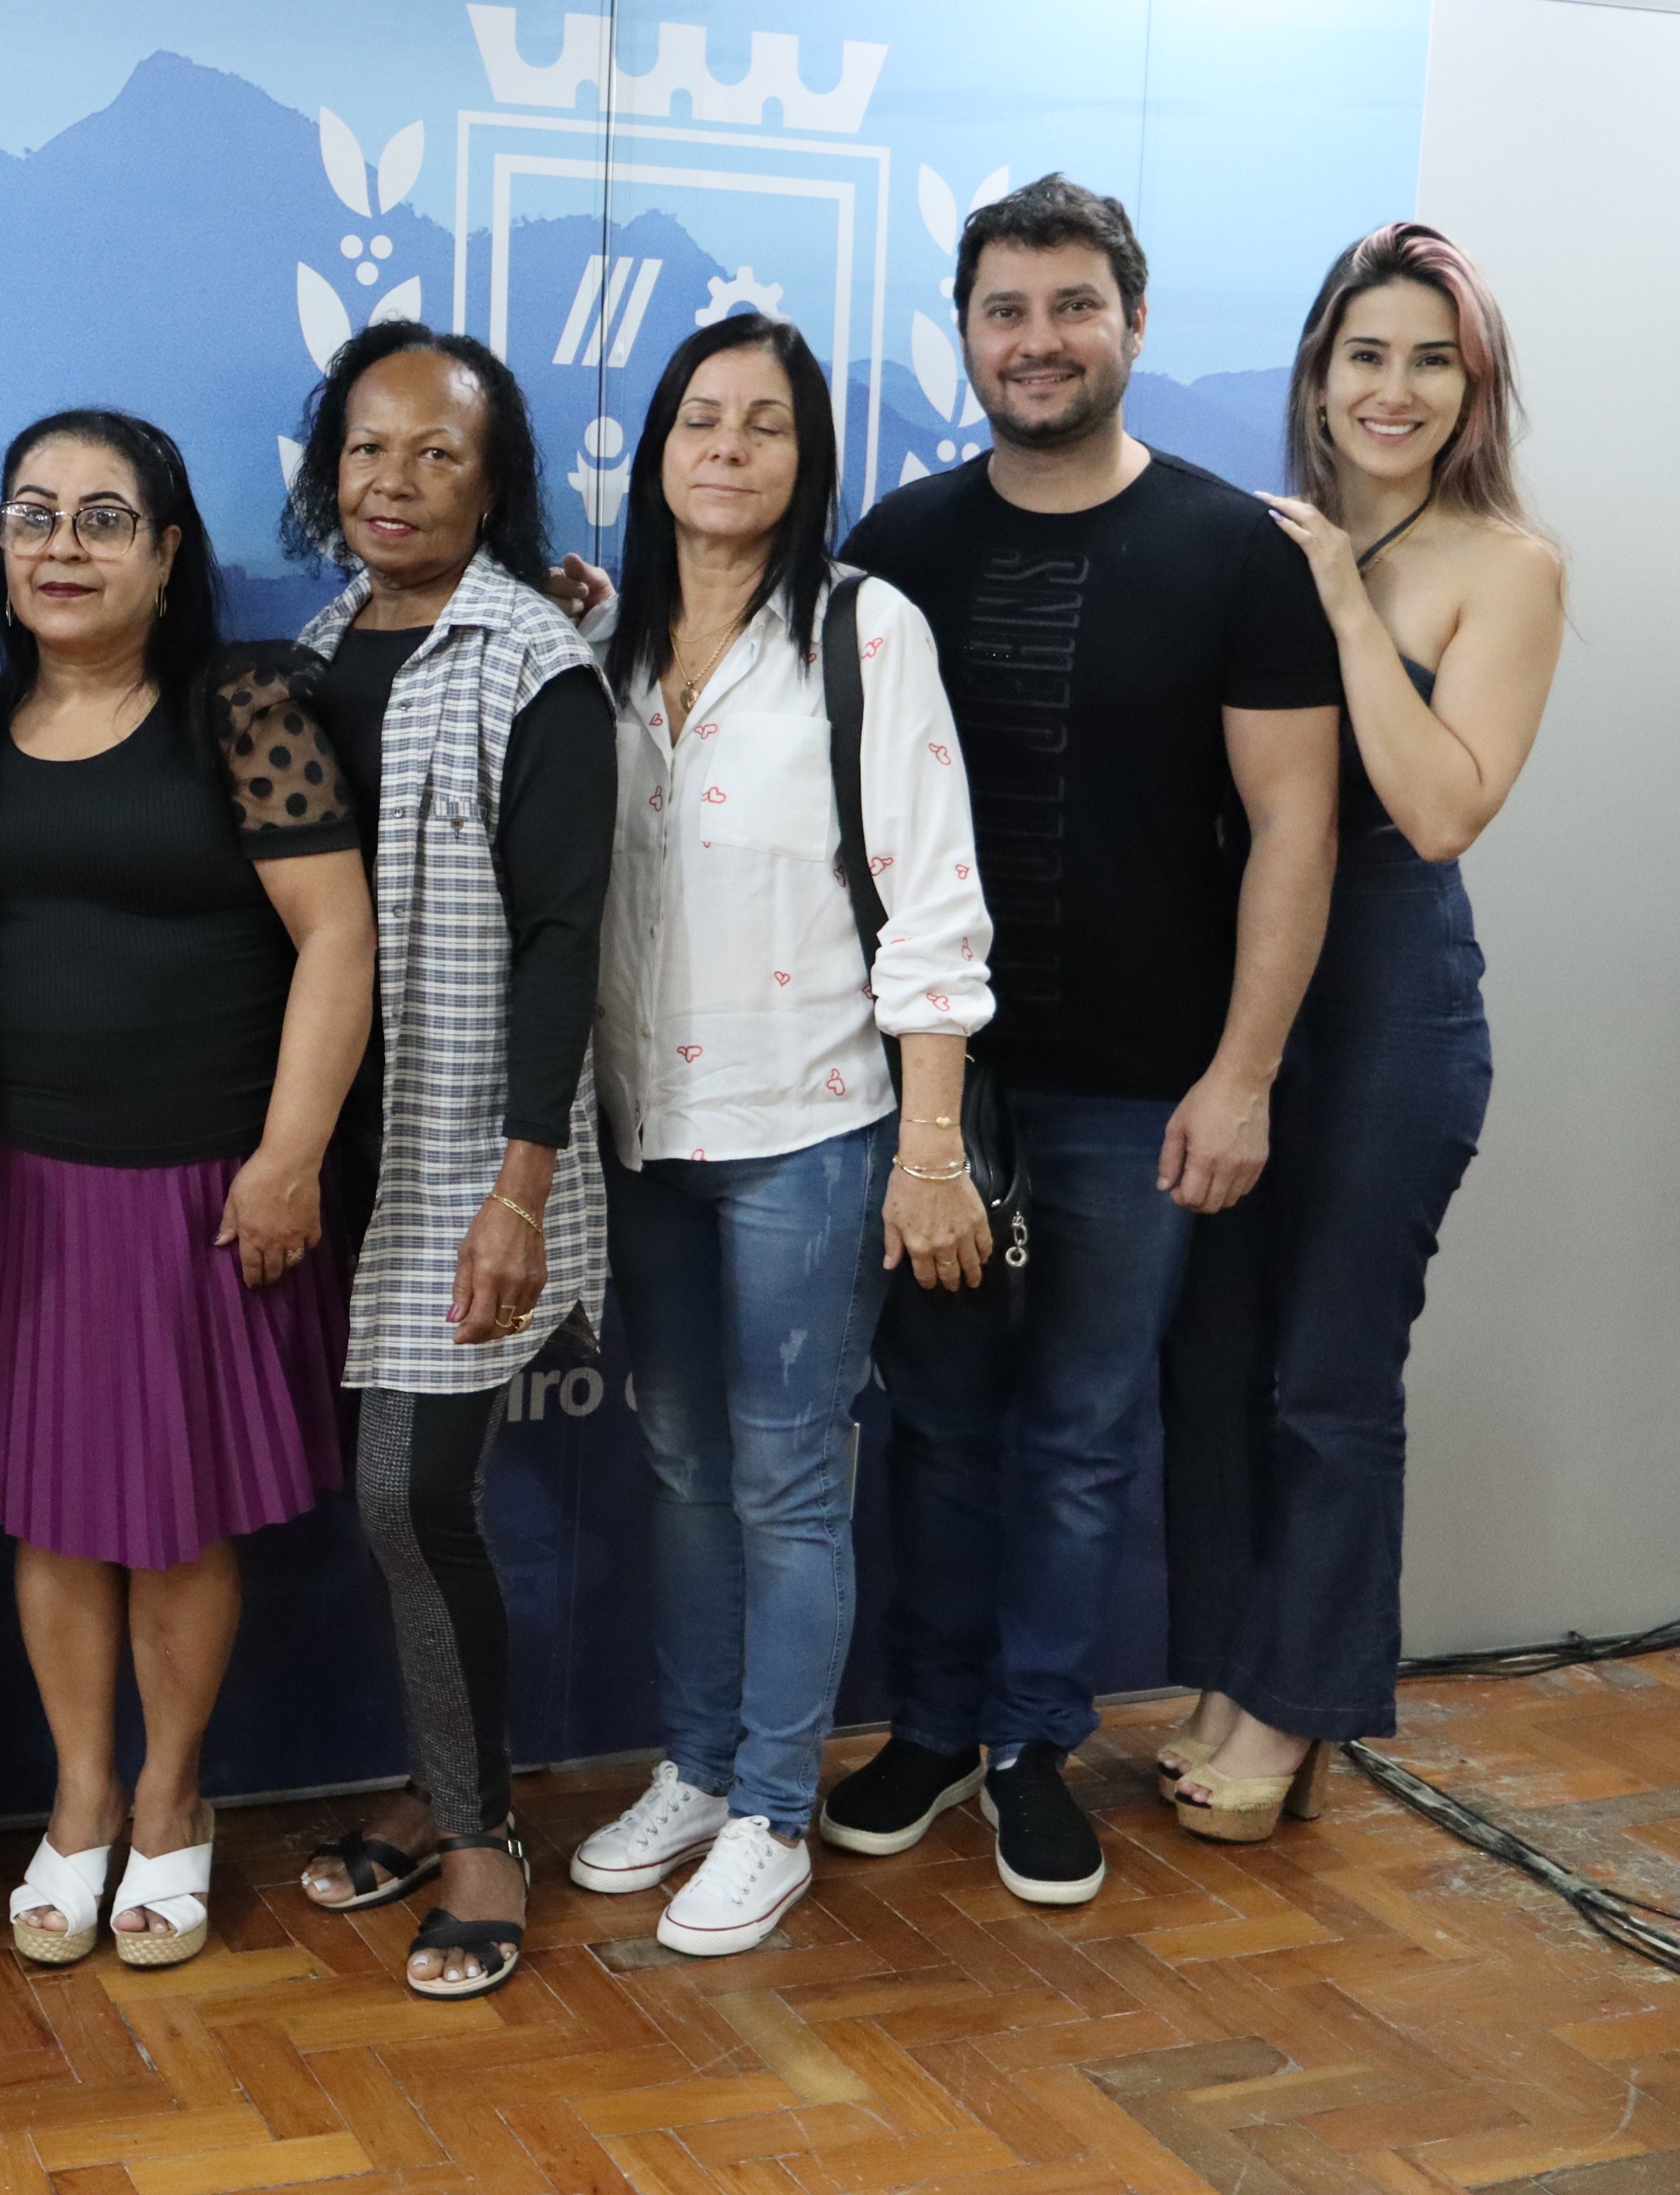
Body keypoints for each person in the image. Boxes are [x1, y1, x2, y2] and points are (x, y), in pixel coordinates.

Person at [816, 177, 1342, 1906]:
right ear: (963, 333)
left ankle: (1036, 1740)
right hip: (931, 1089)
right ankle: (932, 1726)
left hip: (1142, 1088)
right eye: (1004, 310)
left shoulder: (1233, 552)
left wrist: (1243, 1073)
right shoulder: (897, 544)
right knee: (940, 1419)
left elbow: (1293, 827)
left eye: (1070, 307)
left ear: (1132, 322)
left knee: (1085, 1432)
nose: (1035, 342)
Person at [559, 314, 996, 1957]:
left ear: (807, 459)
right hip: (644, 1128)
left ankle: (769, 1805)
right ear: (657, 447)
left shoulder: (864, 632)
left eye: (765, 423)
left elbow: (933, 904)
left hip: (813, 1127)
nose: (728, 447)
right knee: (681, 1466)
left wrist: (930, 1153)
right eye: (700, 418)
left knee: (788, 1475)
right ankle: (693, 1764)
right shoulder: (599, 643)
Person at [0, 411, 374, 1970]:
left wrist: (289, 1155)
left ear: (169, 551)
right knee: (54, 1516)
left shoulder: (240, 706)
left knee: (178, 1519)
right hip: (29, 1183)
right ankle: (78, 1801)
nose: (62, 545)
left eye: (103, 517)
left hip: (208, 1184)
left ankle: (172, 1798)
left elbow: (337, 934)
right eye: (34, 513)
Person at [1155, 225, 1562, 1840]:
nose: (1395, 389)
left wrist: (1338, 592)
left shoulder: (1504, 566)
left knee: (1330, 1374)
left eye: (1431, 360)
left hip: (1392, 1010)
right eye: (1366, 355)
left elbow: (1441, 806)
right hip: (1246, 1000)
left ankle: (1294, 1703)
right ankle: (1234, 1665)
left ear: (1474, 387)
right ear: (1319, 376)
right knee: (1217, 1361)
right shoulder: (1261, 536)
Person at [279, 323, 616, 1999]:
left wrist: (521, 1185)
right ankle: (437, 1783)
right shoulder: (314, 647)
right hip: (320, 1146)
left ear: (495, 484)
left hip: (466, 1149)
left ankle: (483, 1839)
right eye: (366, 447)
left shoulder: (533, 658)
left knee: (413, 1497)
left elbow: (563, 939)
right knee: (384, 1505)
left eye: (437, 452)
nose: (393, 480)